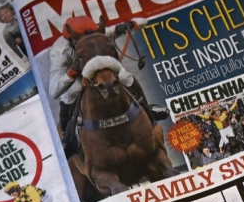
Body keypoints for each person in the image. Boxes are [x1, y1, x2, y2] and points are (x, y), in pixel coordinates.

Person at [48, 15, 168, 157]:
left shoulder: (101, 33)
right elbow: (54, 91)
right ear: (71, 41)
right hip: (79, 74)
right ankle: (68, 139)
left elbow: (144, 20)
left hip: (103, 68)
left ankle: (149, 112)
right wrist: (73, 71)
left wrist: (129, 23)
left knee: (125, 77)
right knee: (69, 94)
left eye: (92, 35)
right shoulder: (59, 51)